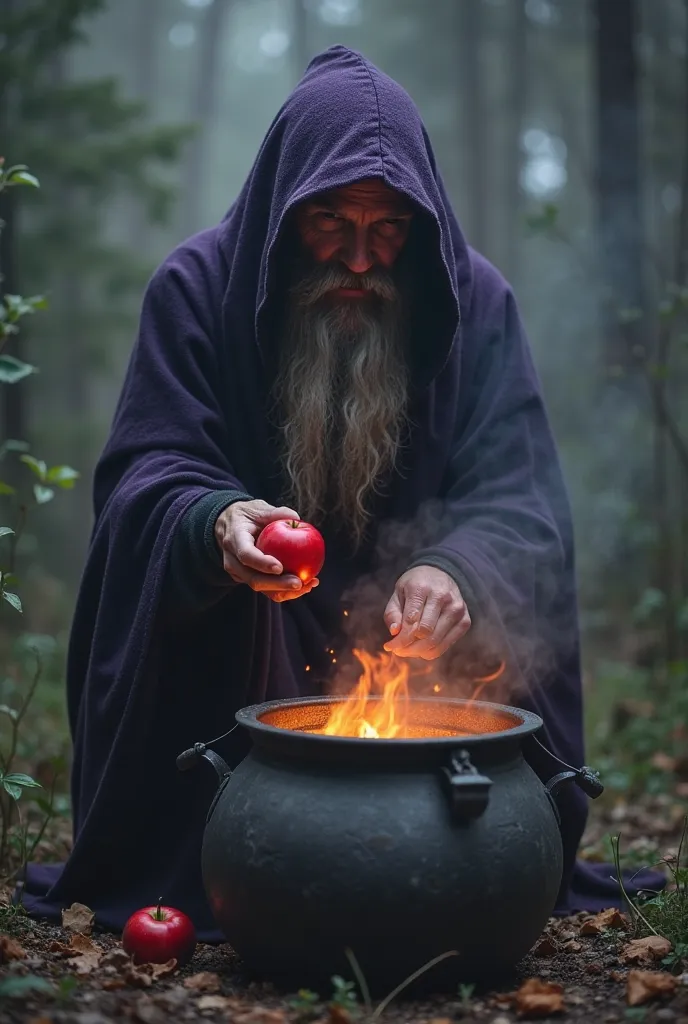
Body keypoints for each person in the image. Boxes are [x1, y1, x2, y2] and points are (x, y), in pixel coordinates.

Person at [21, 46, 659, 936]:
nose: (360, 258)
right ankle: (217, 851)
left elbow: (521, 503)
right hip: (244, 642)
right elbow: (145, 476)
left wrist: (456, 569)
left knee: (494, 610)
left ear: (422, 223)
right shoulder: (195, 291)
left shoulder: (476, 303)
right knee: (209, 577)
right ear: (284, 209)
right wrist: (217, 521)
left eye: (389, 228)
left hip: (418, 663)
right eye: (329, 222)